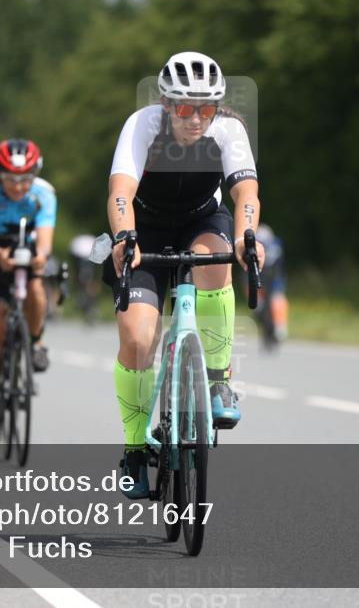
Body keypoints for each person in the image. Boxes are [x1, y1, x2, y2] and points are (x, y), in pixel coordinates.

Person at [104, 51, 265, 498]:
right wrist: (124, 238)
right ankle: (135, 449)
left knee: (215, 259)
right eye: (184, 107)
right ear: (166, 103)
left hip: (201, 220)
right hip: (145, 227)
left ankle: (217, 382)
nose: (195, 118)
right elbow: (121, 192)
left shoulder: (228, 130)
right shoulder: (142, 126)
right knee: (137, 340)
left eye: (206, 108)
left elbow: (244, 191)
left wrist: (246, 236)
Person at [0, 138, 57, 440]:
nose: (18, 187)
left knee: (36, 292)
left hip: (28, 253)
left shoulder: (44, 195)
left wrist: (41, 257)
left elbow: (46, 239)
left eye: (25, 180)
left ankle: (35, 343)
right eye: (10, 180)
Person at [253, 224, 289, 346]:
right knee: (274, 295)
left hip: (273, 272)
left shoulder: (268, 241)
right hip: (265, 272)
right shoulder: (274, 241)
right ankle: (278, 325)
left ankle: (280, 325)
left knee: (277, 296)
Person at [69, 233, 99, 324]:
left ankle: (88, 302)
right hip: (86, 262)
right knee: (86, 282)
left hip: (85, 263)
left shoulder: (80, 245)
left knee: (88, 282)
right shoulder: (88, 244)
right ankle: (84, 299)